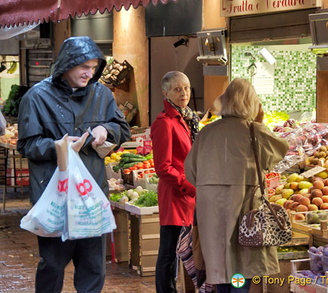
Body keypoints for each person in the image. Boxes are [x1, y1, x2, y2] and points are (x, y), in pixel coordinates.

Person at [17, 36, 131, 293]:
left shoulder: (102, 93)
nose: (89, 74)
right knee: (53, 265)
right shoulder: (37, 97)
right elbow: (27, 144)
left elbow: (122, 128)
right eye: (83, 67)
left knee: (94, 267)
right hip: (53, 195)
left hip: (90, 197)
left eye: (93, 67)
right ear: (67, 64)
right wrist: (61, 146)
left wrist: (106, 128)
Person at [184, 78, 289, 292]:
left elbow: (190, 172)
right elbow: (281, 151)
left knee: (220, 267)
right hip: (245, 210)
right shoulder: (254, 132)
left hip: (210, 213)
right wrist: (259, 122)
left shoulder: (206, 133)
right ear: (252, 103)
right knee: (241, 268)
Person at [150, 71, 199, 292]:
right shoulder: (165, 123)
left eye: (186, 88)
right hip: (175, 195)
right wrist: (189, 186)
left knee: (185, 248)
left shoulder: (188, 118)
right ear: (165, 92)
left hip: (190, 194)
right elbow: (163, 167)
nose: (183, 93)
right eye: (177, 89)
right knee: (169, 251)